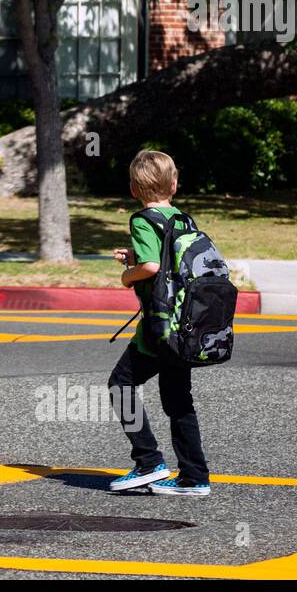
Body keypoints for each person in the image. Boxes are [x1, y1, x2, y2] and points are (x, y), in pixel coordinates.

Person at [107, 150, 212, 496]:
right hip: (185, 325)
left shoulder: (142, 220)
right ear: (174, 184)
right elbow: (172, 260)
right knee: (179, 401)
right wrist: (137, 255)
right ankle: (194, 476)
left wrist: (127, 274)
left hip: (158, 326)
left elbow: (152, 268)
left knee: (120, 383)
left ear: (135, 189)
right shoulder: (184, 220)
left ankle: (148, 461)